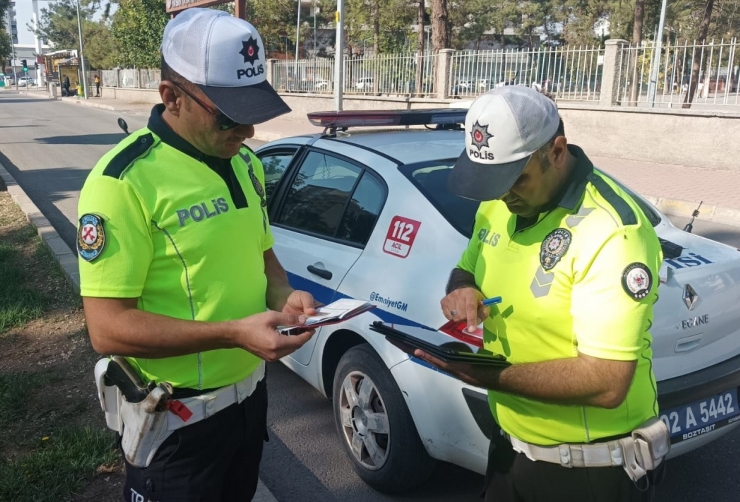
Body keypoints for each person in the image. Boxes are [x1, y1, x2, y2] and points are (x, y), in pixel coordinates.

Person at [77, 8, 317, 501]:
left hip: (249, 404)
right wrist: (232, 333)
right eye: (231, 117)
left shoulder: (246, 163)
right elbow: (107, 328)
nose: (248, 133)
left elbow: (263, 255)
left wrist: (286, 296)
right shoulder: (123, 181)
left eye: (254, 114)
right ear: (171, 97)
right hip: (176, 425)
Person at [406, 87, 666, 501]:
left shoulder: (612, 231)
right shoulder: (500, 204)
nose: (503, 194)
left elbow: (606, 383)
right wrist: (463, 289)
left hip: (589, 469)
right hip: (509, 449)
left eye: (514, 178)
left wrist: (480, 375)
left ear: (557, 151)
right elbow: (466, 267)